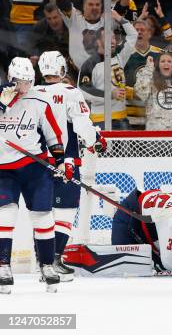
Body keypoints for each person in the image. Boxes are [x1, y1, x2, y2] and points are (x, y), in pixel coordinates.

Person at [34, 51, 107, 282]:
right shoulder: (70, 93)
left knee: (44, 213)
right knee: (65, 212)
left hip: (38, 162)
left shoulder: (32, 93)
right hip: (66, 160)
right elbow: (83, 127)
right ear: (62, 69)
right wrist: (96, 140)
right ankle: (53, 260)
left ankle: (44, 262)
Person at [0, 58, 67, 294]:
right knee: (6, 215)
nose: (25, 86)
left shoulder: (40, 100)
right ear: (11, 78)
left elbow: (53, 135)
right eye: (20, 82)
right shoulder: (0, 97)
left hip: (34, 167)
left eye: (29, 81)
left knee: (43, 216)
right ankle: (3, 266)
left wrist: (61, 161)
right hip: (3, 169)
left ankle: (47, 266)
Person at [78, 10, 137, 130]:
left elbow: (133, 36)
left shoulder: (119, 57)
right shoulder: (89, 64)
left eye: (114, 38)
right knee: (105, 149)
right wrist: (110, 94)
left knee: (128, 149)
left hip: (122, 117)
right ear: (98, 41)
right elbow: (83, 91)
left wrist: (119, 17)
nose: (113, 41)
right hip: (101, 120)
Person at [134, 51, 172, 131]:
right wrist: (148, 69)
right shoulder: (150, 81)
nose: (166, 63)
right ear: (158, 65)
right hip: (155, 133)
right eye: (162, 61)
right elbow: (140, 93)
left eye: (169, 61)